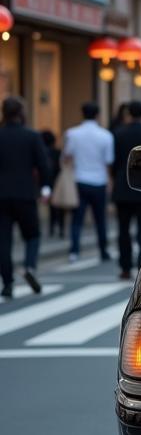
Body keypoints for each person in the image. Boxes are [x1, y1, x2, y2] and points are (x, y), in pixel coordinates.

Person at [0, 96, 50, 296]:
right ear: (21, 113)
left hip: (1, 196)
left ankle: (8, 283)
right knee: (33, 234)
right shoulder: (31, 136)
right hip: (25, 193)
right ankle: (30, 267)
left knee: (3, 240)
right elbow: (43, 165)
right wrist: (46, 188)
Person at [63, 102, 114, 262]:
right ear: (98, 115)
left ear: (82, 114)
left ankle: (74, 251)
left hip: (79, 180)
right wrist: (110, 183)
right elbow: (108, 161)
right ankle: (103, 250)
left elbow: (67, 157)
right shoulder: (106, 135)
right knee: (100, 219)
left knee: (77, 219)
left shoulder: (72, 133)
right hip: (99, 180)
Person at [112, 101, 141, 280]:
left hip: (123, 186)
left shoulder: (118, 134)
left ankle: (124, 267)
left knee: (123, 229)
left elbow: (114, 162)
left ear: (128, 113)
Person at [40, 130, 65, 237]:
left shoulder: (42, 152)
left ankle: (51, 228)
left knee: (50, 206)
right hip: (58, 182)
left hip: (46, 184)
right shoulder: (58, 152)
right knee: (60, 206)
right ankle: (61, 228)